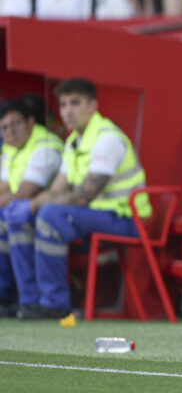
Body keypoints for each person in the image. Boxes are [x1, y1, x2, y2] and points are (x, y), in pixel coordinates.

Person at [4, 78, 151, 319]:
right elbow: (57, 189)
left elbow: (83, 197)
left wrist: (32, 204)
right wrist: (28, 208)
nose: (67, 111)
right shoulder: (73, 142)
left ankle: (54, 304)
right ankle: (29, 302)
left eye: (75, 103)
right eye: (62, 105)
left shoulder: (106, 138)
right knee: (25, 218)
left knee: (50, 214)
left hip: (127, 220)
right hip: (95, 217)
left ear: (93, 105)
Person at [0, 99, 63, 317]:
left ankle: (29, 300)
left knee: (13, 219)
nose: (10, 131)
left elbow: (26, 192)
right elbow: (4, 185)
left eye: (15, 123)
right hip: (30, 209)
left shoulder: (45, 145)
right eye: (4, 127)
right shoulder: (11, 149)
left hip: (47, 212)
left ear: (30, 122)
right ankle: (6, 297)